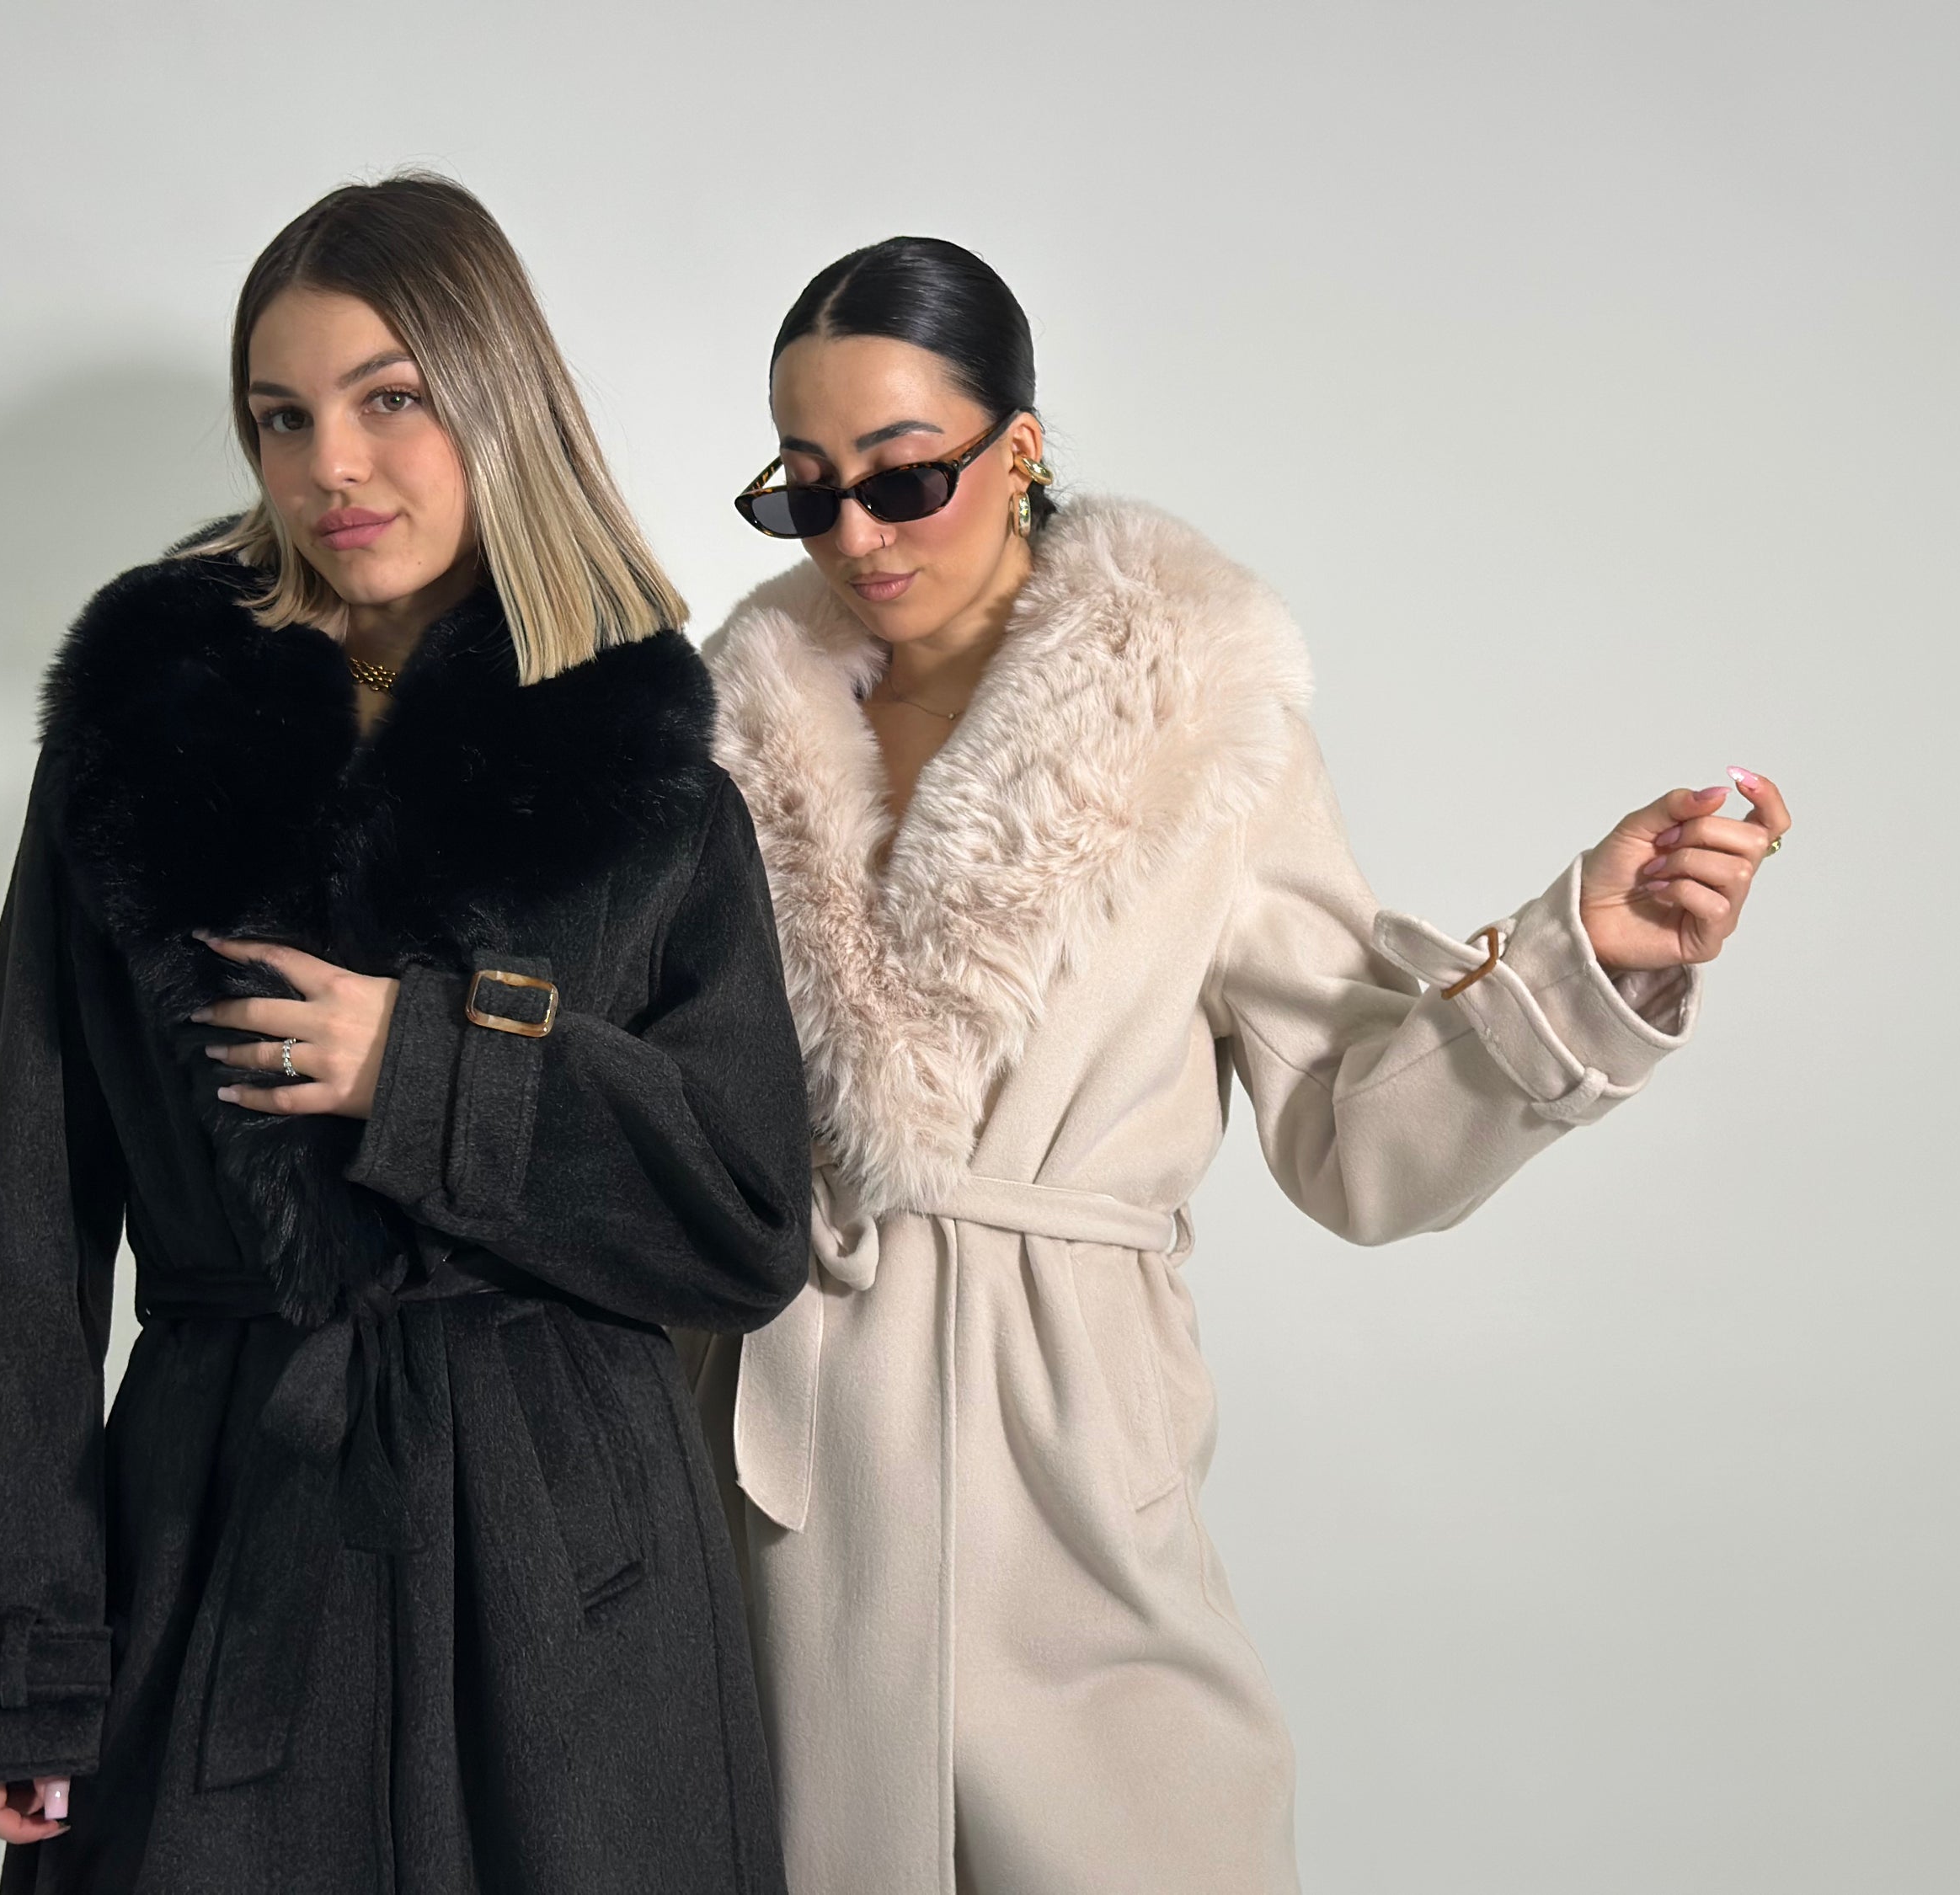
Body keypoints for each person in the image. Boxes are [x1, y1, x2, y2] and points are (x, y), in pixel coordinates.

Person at [681, 236, 1793, 1895]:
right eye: (807, 491)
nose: (856, 535)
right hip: (774, 1494)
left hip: (1066, 1484)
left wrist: (1587, 955)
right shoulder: (720, 740)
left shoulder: (1201, 723)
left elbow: (1353, 1128)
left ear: (1020, 448)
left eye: (906, 478)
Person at [0, 174, 811, 1895]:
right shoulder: (144, 755)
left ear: (497, 399)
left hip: (570, 1580)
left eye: (391, 398)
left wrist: (431, 1071)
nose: (332, 466)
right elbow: (20, 1218)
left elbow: (743, 1223)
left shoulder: (652, 785)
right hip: (224, 1526)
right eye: (281, 417)